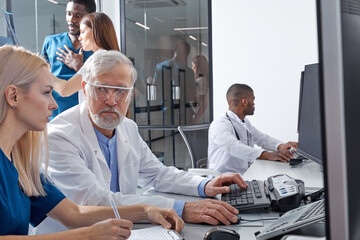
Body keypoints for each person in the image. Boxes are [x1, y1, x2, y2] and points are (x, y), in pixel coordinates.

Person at [35, 50, 248, 234]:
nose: (111, 100)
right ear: (84, 89)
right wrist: (180, 208)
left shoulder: (127, 127)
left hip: (122, 230)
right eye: (101, 88)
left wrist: (204, 185)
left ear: (130, 94)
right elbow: (94, 202)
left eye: (120, 90)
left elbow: (156, 174)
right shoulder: (60, 136)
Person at [0, 45, 184, 238]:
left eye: (120, 91)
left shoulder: (20, 163)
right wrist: (87, 235)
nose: (54, 104)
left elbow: (74, 213)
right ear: (14, 96)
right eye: (46, 92)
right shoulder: (57, 136)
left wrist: (146, 210)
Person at [208, 83, 298, 175]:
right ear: (244, 102)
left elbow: (262, 138)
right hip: (222, 180)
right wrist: (268, 155)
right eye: (253, 99)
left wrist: (280, 146)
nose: (254, 103)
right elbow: (233, 146)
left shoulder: (244, 122)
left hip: (242, 175)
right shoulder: (220, 124)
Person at [42, 0, 96, 119]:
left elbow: (102, 84)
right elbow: (41, 78)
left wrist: (80, 67)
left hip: (84, 115)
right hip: (54, 114)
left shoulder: (95, 49)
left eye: (78, 15)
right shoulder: (51, 42)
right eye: (69, 14)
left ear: (90, 17)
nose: (71, 20)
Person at [53, 12, 120, 104]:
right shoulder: (112, 58)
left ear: (96, 31)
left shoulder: (99, 60)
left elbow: (66, 90)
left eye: (83, 32)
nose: (80, 37)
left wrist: (44, 74)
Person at [153, 40, 196, 124]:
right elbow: (191, 96)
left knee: (168, 134)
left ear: (175, 50)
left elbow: (155, 89)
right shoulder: (188, 72)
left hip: (165, 109)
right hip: (182, 111)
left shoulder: (159, 67)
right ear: (187, 54)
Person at [191, 55, 210, 124]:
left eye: (193, 65)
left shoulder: (201, 80)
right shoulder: (203, 79)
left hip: (200, 114)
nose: (192, 68)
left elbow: (203, 102)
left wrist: (196, 118)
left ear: (198, 66)